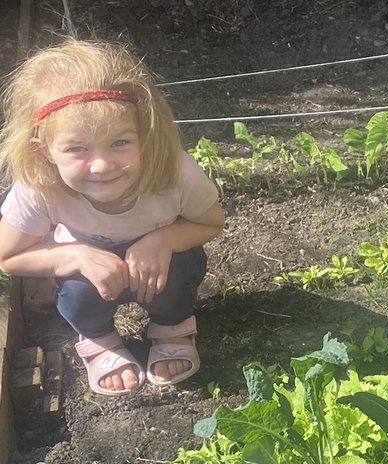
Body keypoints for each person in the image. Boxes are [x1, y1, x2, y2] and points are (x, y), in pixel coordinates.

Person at [0, 39, 225, 395]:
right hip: (90, 272)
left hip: (158, 264)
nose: (102, 166)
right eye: (76, 149)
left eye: (120, 142)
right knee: (76, 292)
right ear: (43, 149)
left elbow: (211, 222)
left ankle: (172, 325)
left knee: (179, 269)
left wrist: (164, 239)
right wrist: (73, 255)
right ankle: (99, 336)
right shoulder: (39, 187)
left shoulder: (175, 173)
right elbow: (7, 257)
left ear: (145, 133)